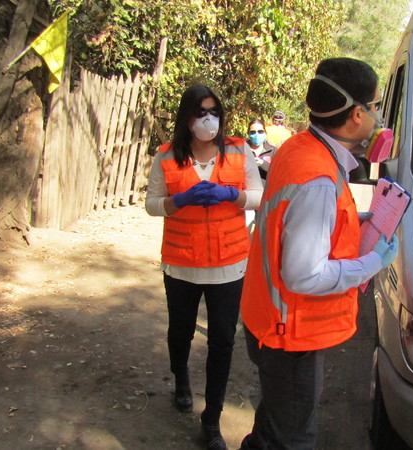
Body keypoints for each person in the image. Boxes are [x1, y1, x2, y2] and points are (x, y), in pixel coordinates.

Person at [238, 57, 399, 449]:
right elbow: (304, 275)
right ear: (357, 115)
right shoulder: (318, 178)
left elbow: (295, 220)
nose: (378, 117)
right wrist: (372, 263)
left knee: (273, 428)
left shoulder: (300, 147)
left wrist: (357, 220)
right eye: (376, 106)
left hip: (270, 319)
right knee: (292, 439)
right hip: (290, 334)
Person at [145, 83, 264, 450]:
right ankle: (181, 379)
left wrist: (233, 195)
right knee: (180, 333)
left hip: (229, 264)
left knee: (223, 341)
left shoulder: (239, 150)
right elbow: (151, 204)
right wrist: (177, 201)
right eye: (201, 112)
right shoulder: (167, 156)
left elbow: (259, 196)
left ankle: (211, 419)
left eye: (214, 112)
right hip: (182, 264)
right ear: (187, 118)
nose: (208, 119)